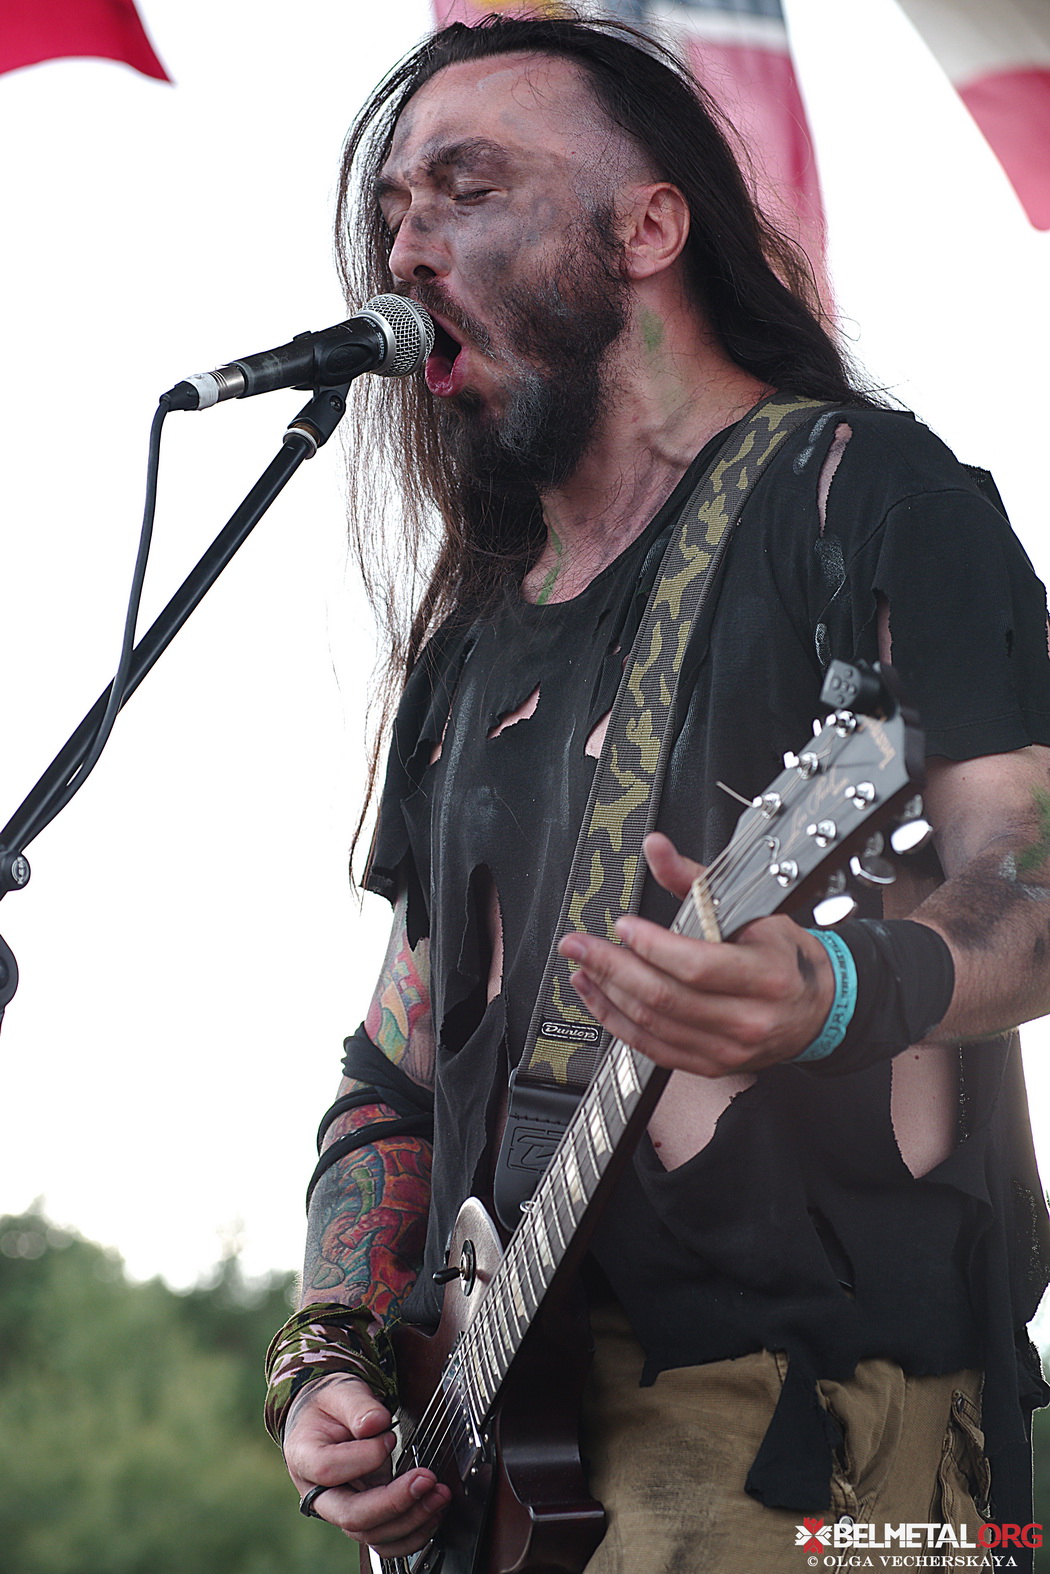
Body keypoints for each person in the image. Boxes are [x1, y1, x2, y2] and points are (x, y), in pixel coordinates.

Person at [265, 13, 1050, 1571]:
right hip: (500, 1466)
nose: (405, 248)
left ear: (646, 228)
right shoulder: (472, 634)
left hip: (809, 1440)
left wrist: (840, 986)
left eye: (466, 187)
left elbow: (1029, 877)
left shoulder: (861, 499)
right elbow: (392, 1068)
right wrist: (333, 1352)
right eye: (394, 210)